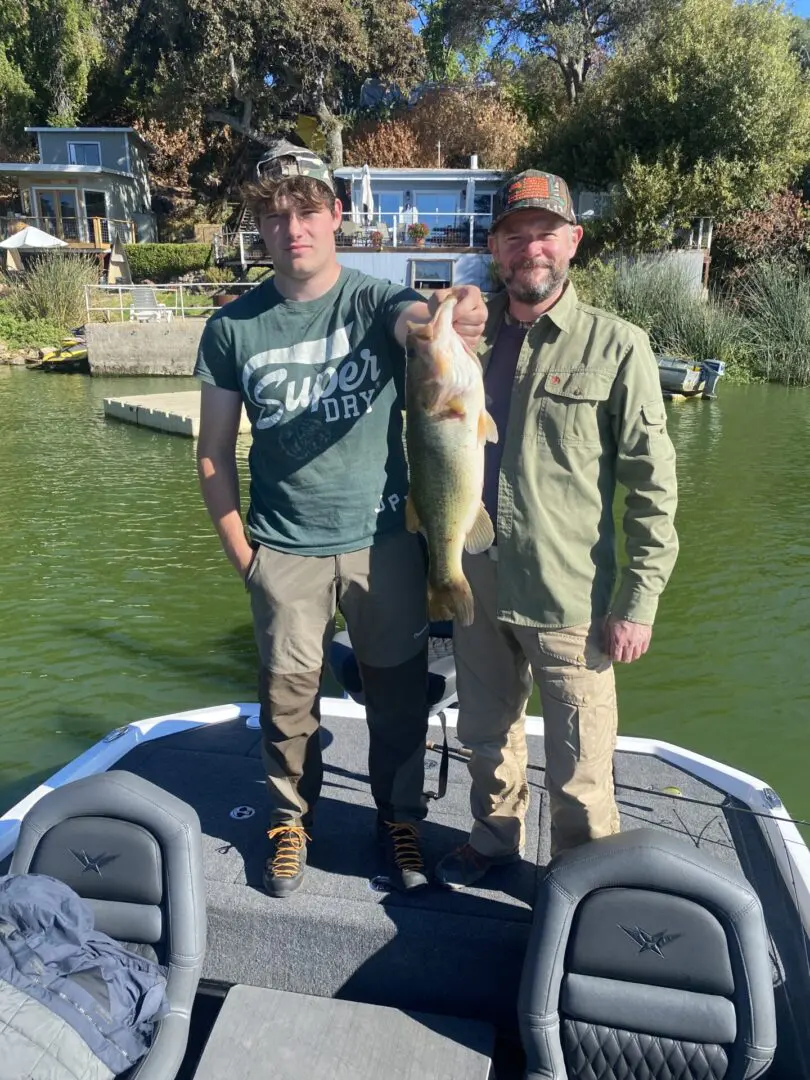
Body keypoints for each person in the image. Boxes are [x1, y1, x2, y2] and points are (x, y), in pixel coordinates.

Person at [193, 141, 486, 898]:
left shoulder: (370, 299)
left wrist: (449, 319)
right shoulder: (232, 329)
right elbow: (213, 455)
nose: (294, 229)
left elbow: (414, 323)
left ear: (337, 217)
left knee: (397, 699)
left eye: (309, 211)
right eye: (275, 216)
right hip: (283, 552)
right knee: (286, 706)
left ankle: (400, 818)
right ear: (259, 228)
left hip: (386, 544)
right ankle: (290, 821)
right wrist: (245, 559)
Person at [434, 170, 679, 889]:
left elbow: (652, 486)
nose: (530, 249)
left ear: (573, 242)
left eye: (545, 233)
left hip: (572, 596)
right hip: (476, 581)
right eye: (515, 236)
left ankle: (584, 876)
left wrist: (638, 600)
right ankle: (494, 835)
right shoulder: (462, 342)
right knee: (484, 733)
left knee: (581, 758)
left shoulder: (619, 346)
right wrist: (448, 309)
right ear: (495, 248)